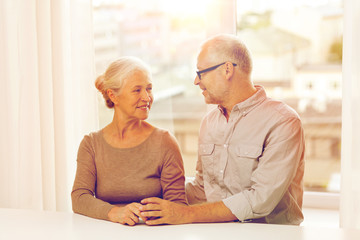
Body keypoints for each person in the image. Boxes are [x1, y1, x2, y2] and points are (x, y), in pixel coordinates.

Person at [140, 34, 305, 225]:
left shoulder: (283, 122)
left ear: (227, 69)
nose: (196, 81)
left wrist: (184, 214)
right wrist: (150, 190)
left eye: (201, 72)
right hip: (218, 233)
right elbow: (203, 189)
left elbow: (261, 199)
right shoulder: (210, 121)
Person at [71, 56, 187, 226]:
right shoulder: (91, 144)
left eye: (149, 89)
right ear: (113, 96)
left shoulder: (165, 142)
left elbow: (178, 206)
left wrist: (151, 214)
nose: (147, 97)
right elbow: (80, 198)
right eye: (137, 90)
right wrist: (115, 213)